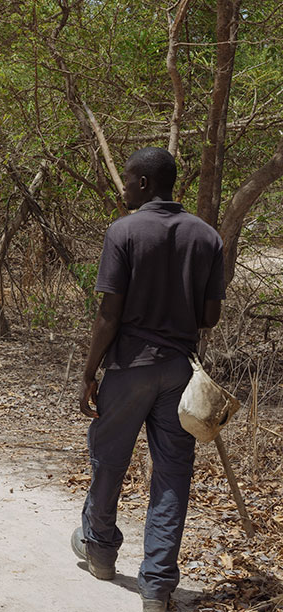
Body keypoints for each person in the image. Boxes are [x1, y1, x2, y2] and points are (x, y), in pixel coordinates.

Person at [73, 147, 225, 612]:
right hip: (179, 371)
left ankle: (99, 550)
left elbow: (108, 313)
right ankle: (157, 586)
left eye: (126, 178)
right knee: (172, 476)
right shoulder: (207, 237)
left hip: (128, 368)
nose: (122, 186)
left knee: (109, 459)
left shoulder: (124, 231)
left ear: (143, 183)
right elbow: (210, 316)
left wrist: (88, 372)